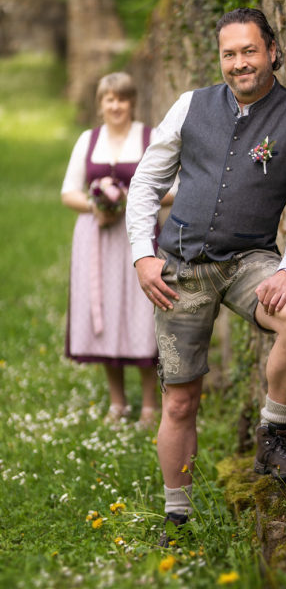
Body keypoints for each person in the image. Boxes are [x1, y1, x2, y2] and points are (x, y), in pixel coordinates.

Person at [126, 8, 286, 540]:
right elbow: (146, 183)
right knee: (180, 399)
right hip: (181, 267)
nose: (240, 63)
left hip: (249, 261)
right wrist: (142, 255)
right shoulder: (190, 106)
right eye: (230, 54)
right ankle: (177, 517)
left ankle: (272, 434)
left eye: (250, 51)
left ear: (273, 51)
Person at [61, 72, 175, 428]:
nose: (116, 106)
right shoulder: (88, 140)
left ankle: (148, 406)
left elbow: (173, 190)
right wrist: (97, 205)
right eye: (109, 99)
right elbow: (69, 192)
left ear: (132, 102)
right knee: (106, 312)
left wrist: (128, 200)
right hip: (96, 239)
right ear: (101, 104)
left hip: (139, 239)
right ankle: (117, 402)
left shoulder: (149, 137)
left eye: (122, 99)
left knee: (142, 312)